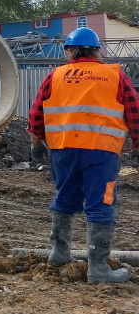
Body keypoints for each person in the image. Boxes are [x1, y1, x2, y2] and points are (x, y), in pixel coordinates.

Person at [28, 27, 139, 283]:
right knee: (101, 204)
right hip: (102, 152)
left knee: (65, 198)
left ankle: (59, 255)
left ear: (69, 51)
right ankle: (98, 268)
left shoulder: (55, 76)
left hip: (63, 150)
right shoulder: (115, 75)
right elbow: (134, 112)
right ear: (97, 50)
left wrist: (36, 144)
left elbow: (36, 115)